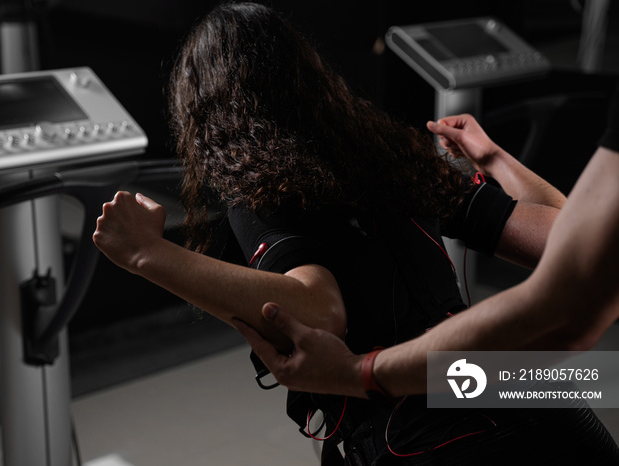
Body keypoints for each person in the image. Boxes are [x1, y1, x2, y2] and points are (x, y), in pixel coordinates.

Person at [93, 2, 618, 464]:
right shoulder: (393, 155)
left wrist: (147, 254)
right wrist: (496, 159)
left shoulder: (257, 192)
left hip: (418, 431)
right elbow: (570, 245)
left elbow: (319, 310)